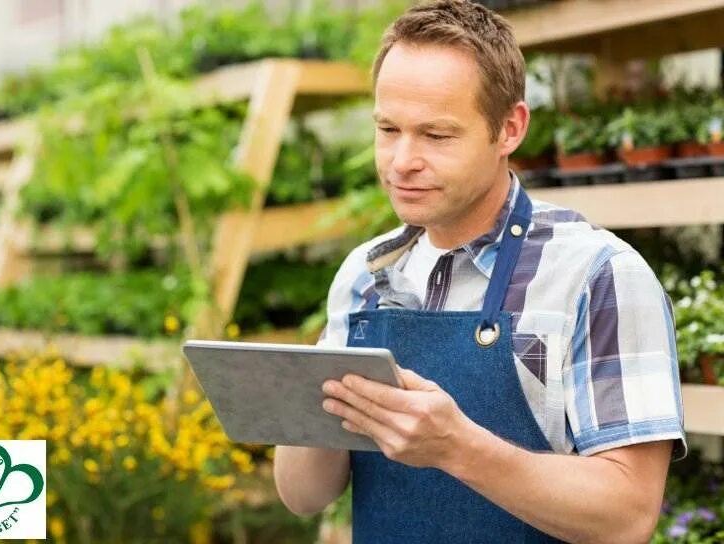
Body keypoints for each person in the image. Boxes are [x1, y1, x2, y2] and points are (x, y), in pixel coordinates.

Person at [273, 1, 687, 542]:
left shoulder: (597, 277)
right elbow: (303, 496)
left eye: (436, 135)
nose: (402, 160)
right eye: (388, 128)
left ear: (509, 129)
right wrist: (301, 400)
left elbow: (628, 514)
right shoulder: (365, 276)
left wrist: (456, 447)